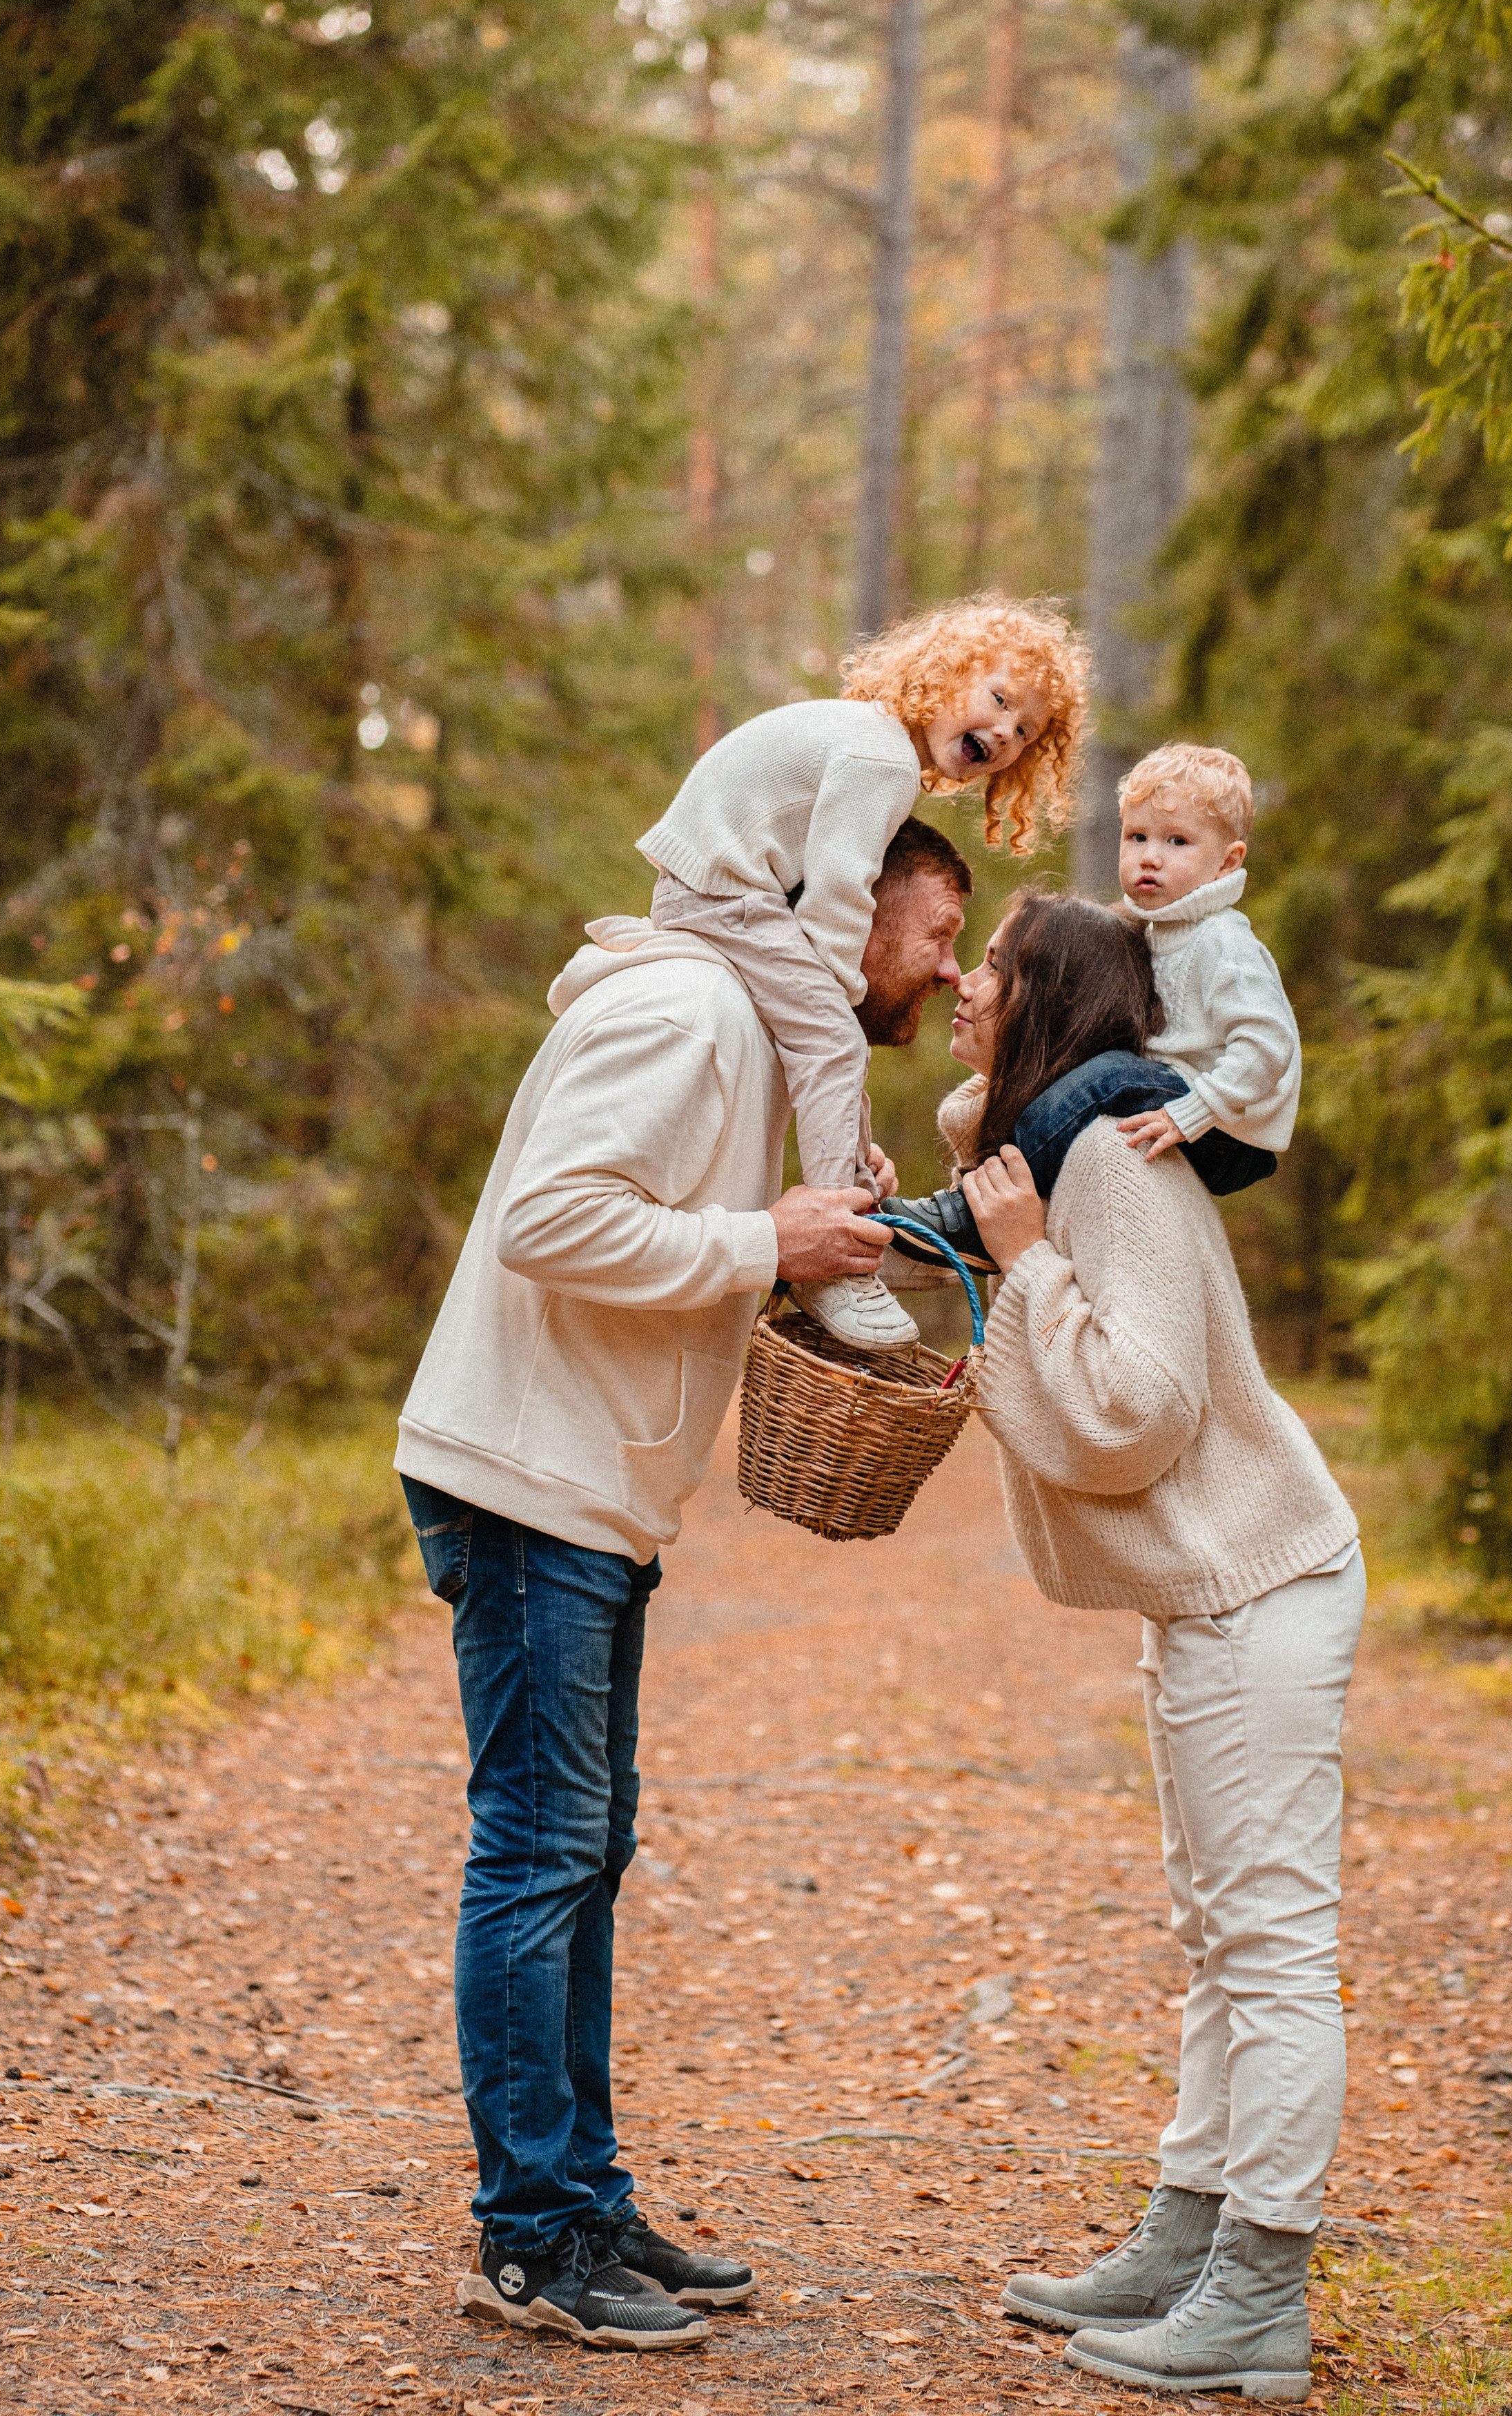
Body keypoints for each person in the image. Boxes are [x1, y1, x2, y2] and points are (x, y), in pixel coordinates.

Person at [393, 818, 972, 2357]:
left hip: (586, 1487)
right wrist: (758, 1231)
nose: (947, 970)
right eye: (935, 934)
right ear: (845, 914)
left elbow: (675, 1243)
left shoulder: (744, 1041)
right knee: (538, 1851)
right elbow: (549, 1223)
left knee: (584, 1847)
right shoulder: (683, 1011)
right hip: (527, 1480)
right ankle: (527, 2240)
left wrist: (812, 1243)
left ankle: (580, 2197)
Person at [945, 890, 1361, 2406]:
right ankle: (1182, 2239)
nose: (958, 983)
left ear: (1042, 994)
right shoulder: (1059, 1152)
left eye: (985, 967)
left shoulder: (1104, 1181)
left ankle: (1256, 2293)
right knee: (1217, 1937)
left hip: (1256, 1586)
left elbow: (1133, 1412)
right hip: (1211, 1597)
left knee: (1268, 1947)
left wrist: (1027, 1263)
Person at [637, 593, 1086, 1347]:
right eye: (1000, 701)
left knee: (826, 1043)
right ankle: (837, 1264)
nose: (1005, 732)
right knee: (833, 1040)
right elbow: (841, 891)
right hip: (723, 890)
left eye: (1024, 732)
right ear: (945, 677)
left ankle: (859, 1211)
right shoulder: (880, 756)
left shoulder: (870, 743)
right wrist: (840, 992)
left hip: (718, 884)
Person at [888, 740, 1299, 1274]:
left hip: (1227, 1127)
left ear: (1227, 862)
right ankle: (976, 1218)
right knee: (1103, 1076)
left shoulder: (1222, 942)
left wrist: (1195, 1111)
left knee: (1107, 1078)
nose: (1151, 856)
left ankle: (973, 1212)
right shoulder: (1157, 931)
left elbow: (1270, 1047)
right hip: (1191, 1105)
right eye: (1138, 837)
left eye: (1178, 841)